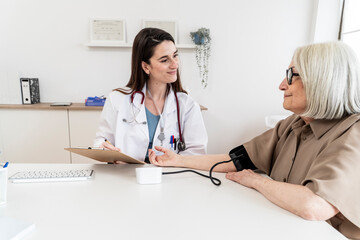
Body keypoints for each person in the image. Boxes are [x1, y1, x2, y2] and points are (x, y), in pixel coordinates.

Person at [149, 41, 360, 239]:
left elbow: (314, 205)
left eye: (291, 75)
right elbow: (236, 160)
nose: (281, 85)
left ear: (322, 79)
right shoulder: (293, 124)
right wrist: (178, 160)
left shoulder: (353, 133)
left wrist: (257, 181)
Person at [94, 28, 208, 162]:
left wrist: (174, 161)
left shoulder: (187, 105)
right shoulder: (117, 99)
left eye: (175, 55)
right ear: (146, 67)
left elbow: (197, 152)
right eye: (165, 60)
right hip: (127, 176)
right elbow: (101, 142)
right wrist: (107, 151)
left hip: (171, 178)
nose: (175, 64)